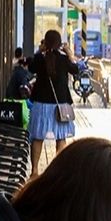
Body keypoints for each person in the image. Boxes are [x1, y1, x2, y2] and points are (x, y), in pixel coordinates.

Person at [26, 29, 78, 178]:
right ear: (59, 43)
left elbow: (30, 68)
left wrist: (39, 50)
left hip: (41, 104)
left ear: (45, 42)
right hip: (60, 105)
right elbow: (75, 70)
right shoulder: (64, 59)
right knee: (61, 137)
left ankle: (34, 171)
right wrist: (70, 54)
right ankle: (58, 172)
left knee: (38, 137)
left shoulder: (40, 58)